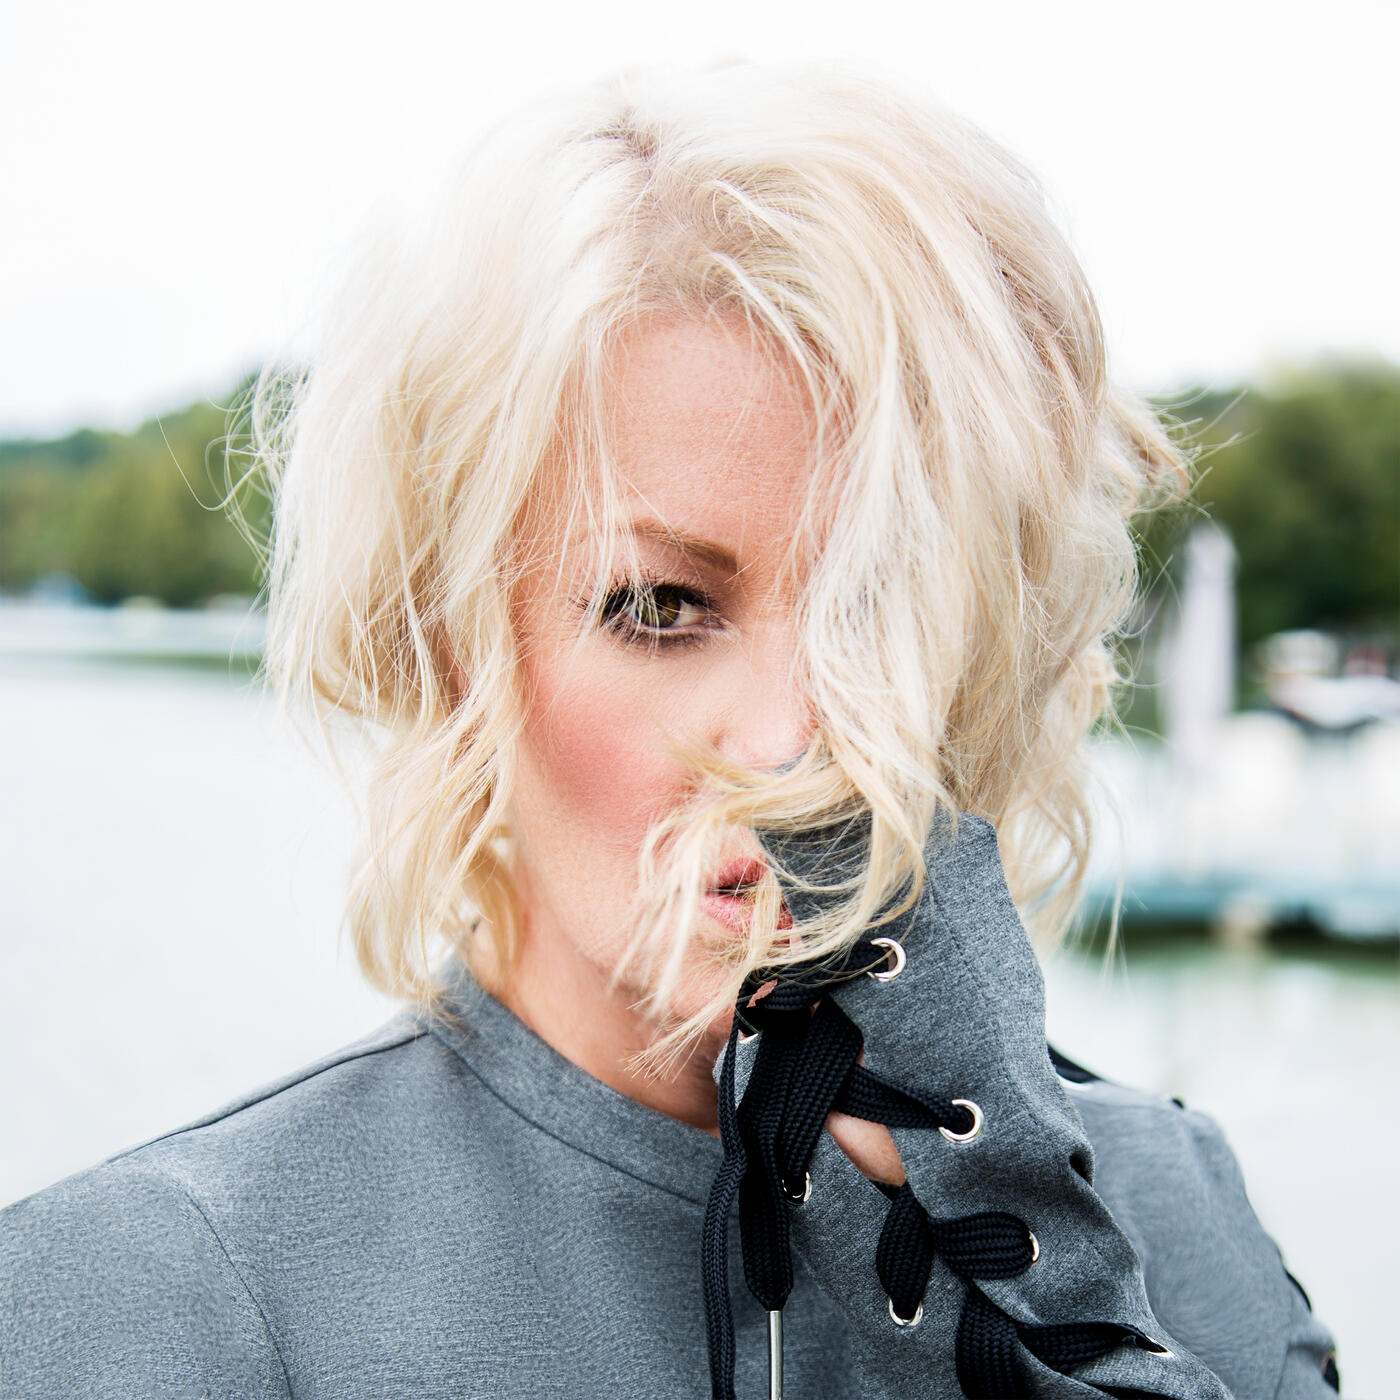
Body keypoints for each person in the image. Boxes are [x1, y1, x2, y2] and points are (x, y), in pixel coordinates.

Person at [0, 61, 1339, 1399]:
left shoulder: (1176, 1225)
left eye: (884, 610)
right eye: (660, 606)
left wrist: (1056, 1306)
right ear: (451, 643)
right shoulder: (156, 1300)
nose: (792, 743)